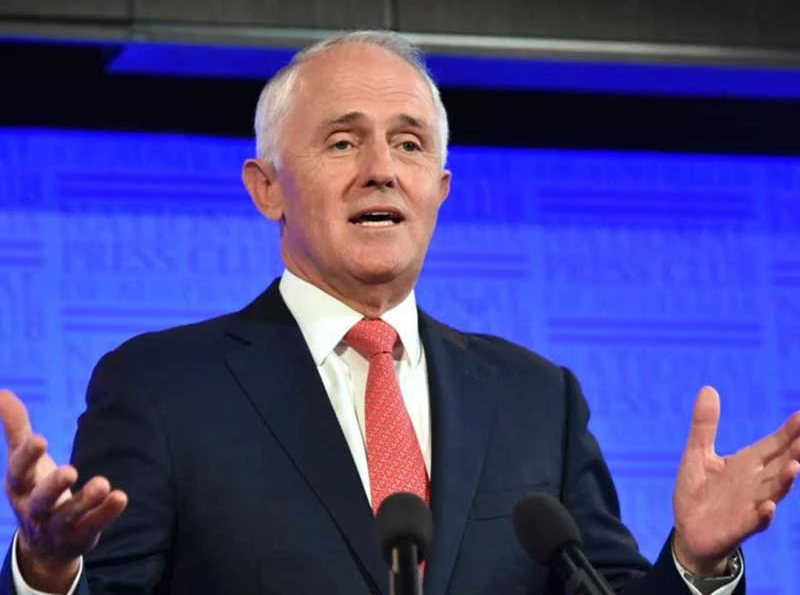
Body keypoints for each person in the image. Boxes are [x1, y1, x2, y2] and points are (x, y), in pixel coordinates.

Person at [1, 30, 798, 595]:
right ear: (267, 188)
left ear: (440, 191)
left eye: (410, 144)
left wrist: (695, 564)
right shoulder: (161, 387)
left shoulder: (536, 398)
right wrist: (45, 570)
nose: (381, 170)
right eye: (343, 143)